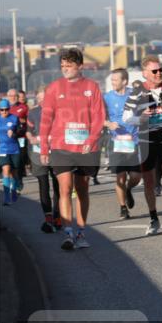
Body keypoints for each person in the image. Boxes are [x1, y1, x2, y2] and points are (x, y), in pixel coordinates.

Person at [40, 48, 106, 250]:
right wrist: (44, 148)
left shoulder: (92, 87)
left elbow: (99, 117)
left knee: (82, 190)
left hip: (85, 147)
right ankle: (68, 233)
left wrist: (92, 139)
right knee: (65, 188)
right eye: (62, 66)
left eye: (69, 66)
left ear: (80, 66)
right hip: (61, 146)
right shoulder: (54, 88)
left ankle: (81, 231)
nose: (65, 69)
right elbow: (46, 118)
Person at [124, 55, 162, 235]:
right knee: (148, 181)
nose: (159, 73)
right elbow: (126, 117)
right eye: (154, 71)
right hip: (146, 141)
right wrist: (141, 118)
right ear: (145, 73)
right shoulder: (136, 93)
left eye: (160, 70)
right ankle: (153, 218)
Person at [104, 68, 142, 219]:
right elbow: (98, 116)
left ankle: (128, 189)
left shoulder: (135, 95)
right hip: (117, 142)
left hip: (134, 141)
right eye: (112, 80)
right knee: (120, 177)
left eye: (115, 80)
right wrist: (108, 124)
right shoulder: (107, 97)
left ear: (124, 81)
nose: (112, 82)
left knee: (136, 176)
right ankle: (123, 208)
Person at [26, 87, 62, 231]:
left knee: (57, 185)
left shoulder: (58, 111)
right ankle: (48, 218)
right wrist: (31, 138)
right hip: (38, 152)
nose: (42, 101)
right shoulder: (33, 112)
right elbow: (28, 131)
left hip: (55, 153)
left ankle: (57, 216)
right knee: (43, 184)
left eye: (44, 98)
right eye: (39, 98)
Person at [0, 98, 21, 205]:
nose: (4, 112)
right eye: (2, 109)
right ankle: (7, 198)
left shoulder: (14, 118)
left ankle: (14, 190)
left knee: (14, 173)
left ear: (9, 109)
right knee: (6, 170)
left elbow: (19, 131)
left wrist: (14, 133)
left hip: (14, 149)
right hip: (1, 149)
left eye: (6, 109)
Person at [7, 88, 28, 193]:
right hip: (8, 139)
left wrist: (23, 122)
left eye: (15, 96)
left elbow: (29, 121)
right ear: (8, 97)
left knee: (19, 161)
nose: (13, 98)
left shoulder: (23, 107)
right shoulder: (4, 107)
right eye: (11, 96)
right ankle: (13, 183)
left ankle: (19, 181)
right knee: (9, 162)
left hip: (20, 138)